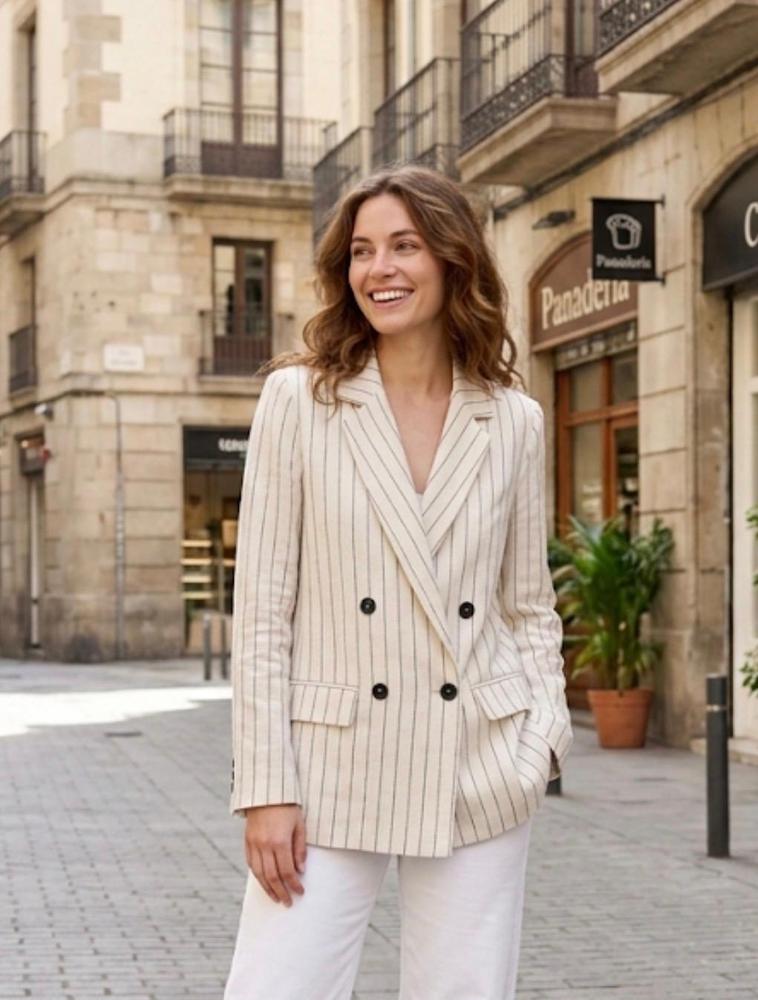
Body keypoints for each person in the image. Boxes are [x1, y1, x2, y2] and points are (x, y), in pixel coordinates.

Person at [224, 164, 573, 1000]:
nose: (379, 268)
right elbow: (263, 613)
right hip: (329, 767)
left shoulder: (513, 419)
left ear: (453, 259)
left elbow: (528, 605)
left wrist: (542, 739)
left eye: (405, 246)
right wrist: (265, 788)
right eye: (362, 251)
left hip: (479, 762)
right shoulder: (300, 401)